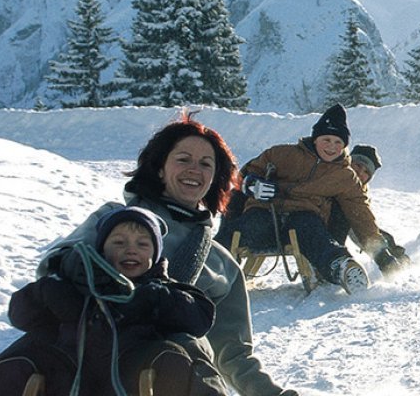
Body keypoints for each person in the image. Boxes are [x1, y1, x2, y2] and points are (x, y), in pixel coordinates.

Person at [27, 112, 298, 396]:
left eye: (206, 164)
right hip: (84, 365)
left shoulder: (222, 265)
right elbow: (51, 267)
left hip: (169, 375)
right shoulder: (112, 222)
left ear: (215, 178)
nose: (195, 169)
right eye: (183, 159)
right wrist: (82, 268)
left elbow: (234, 356)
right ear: (159, 168)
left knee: (187, 350)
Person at [0, 206, 219, 395]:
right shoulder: (79, 284)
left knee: (177, 355)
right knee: (19, 358)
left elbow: (200, 317)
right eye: (119, 242)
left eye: (143, 244)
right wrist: (48, 292)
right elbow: (20, 315)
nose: (131, 249)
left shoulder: (161, 287)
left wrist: (156, 300)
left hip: (132, 375)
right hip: (68, 375)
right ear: (101, 249)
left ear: (155, 254)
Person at [216, 104, 403, 294]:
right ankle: (212, 267)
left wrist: (382, 255)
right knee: (239, 230)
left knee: (316, 236)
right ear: (315, 139)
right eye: (326, 140)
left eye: (338, 142)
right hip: (265, 212)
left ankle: (340, 267)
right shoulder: (283, 154)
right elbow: (246, 174)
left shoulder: (345, 176)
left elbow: (361, 215)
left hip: (303, 217)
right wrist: (252, 184)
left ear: (345, 146)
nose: (331, 147)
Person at [326, 144, 410, 274]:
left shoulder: (360, 191)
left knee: (376, 233)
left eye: (366, 172)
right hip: (318, 224)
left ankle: (398, 259)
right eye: (358, 166)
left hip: (345, 224)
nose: (360, 172)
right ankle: (334, 264)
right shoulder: (332, 175)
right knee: (349, 218)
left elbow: (365, 223)